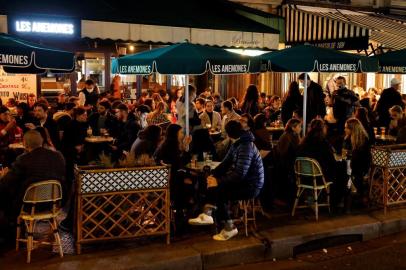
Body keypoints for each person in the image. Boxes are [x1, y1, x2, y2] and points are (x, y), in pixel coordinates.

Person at [188, 120, 264, 241]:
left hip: (251, 185)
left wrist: (218, 181)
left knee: (220, 191)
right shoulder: (237, 143)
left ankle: (223, 224)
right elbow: (225, 164)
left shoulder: (245, 146)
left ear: (228, 134)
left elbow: (240, 173)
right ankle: (212, 216)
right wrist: (212, 176)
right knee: (215, 185)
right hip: (244, 182)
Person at [0, 130, 65, 233]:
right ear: (42, 141)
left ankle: (10, 232)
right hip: (54, 203)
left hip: (30, 205)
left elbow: (6, 183)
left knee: (5, 193)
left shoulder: (23, 160)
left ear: (25, 144)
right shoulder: (58, 156)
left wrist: (3, 176)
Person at [154, 124, 192, 228]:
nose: (182, 134)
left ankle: (182, 213)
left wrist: (184, 147)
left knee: (189, 180)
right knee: (192, 184)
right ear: (175, 134)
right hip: (171, 182)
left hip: (164, 180)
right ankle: (184, 215)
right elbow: (179, 163)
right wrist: (185, 149)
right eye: (181, 132)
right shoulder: (171, 145)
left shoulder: (167, 144)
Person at [343, 118, 371, 204]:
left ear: (353, 129)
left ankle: (352, 196)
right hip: (353, 163)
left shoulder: (363, 140)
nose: (345, 129)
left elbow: (361, 158)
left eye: (346, 128)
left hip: (361, 165)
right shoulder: (348, 138)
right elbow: (345, 151)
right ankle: (347, 194)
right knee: (343, 169)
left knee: (345, 171)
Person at [275, 118, 301, 205]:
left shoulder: (292, 135)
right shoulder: (288, 136)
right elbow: (284, 153)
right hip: (287, 165)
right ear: (293, 128)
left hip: (288, 164)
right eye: (299, 126)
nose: (300, 128)